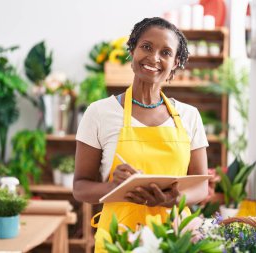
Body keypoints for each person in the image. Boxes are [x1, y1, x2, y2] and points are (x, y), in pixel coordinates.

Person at [73, 17, 209, 252]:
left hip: (174, 239)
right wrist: (114, 187)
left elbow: (201, 186)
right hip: (119, 240)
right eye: (146, 47)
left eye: (165, 52)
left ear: (175, 62)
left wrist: (173, 199)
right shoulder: (99, 113)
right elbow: (80, 187)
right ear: (132, 50)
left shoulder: (190, 116)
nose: (154, 58)